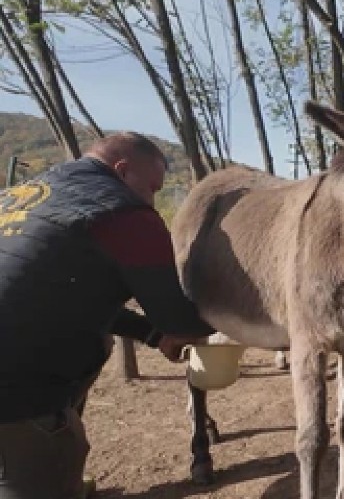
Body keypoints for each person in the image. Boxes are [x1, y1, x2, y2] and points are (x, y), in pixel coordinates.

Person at [0, 132, 218, 499]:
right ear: (122, 170)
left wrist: (152, 335)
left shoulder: (23, 197)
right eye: (152, 187)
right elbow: (181, 321)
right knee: (42, 474)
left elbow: (56, 295)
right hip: (18, 394)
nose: (152, 199)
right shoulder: (123, 213)